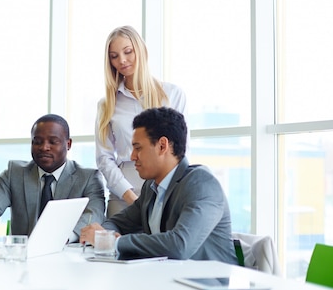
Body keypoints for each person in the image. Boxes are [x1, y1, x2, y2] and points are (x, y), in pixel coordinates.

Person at [81, 107, 237, 264]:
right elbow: (117, 223)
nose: (132, 156)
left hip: (209, 283)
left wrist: (114, 242)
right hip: (165, 278)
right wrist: (104, 235)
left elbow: (179, 245)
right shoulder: (151, 187)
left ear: (162, 146)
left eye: (138, 148)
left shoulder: (202, 184)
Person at [96, 25, 188, 217]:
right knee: (117, 246)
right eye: (114, 56)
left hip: (165, 192)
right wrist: (130, 196)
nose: (122, 60)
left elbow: (181, 149)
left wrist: (167, 192)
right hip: (122, 194)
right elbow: (104, 158)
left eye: (127, 51)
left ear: (141, 50)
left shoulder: (172, 94)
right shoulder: (107, 105)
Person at [0, 114, 105, 242]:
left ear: (68, 144)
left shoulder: (88, 178)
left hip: (69, 254)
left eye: (53, 142)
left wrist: (63, 238)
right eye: (37, 142)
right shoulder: (14, 174)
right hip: (22, 258)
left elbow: (93, 215)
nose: (44, 147)